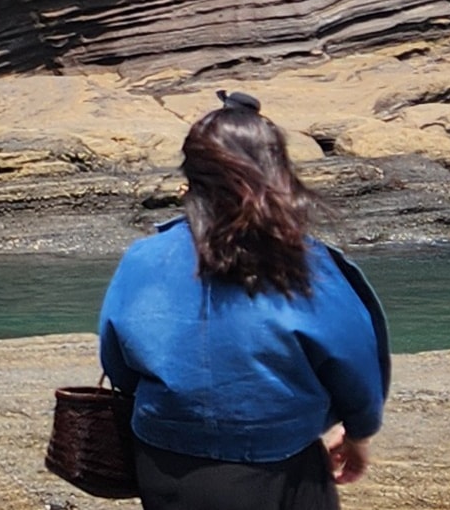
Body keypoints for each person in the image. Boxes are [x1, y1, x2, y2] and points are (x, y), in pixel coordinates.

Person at [98, 93, 387, 509]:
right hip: (277, 460)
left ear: (191, 176)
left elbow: (117, 360)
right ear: (277, 171)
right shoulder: (305, 261)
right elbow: (352, 356)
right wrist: (359, 430)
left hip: (164, 459)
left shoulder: (143, 256)